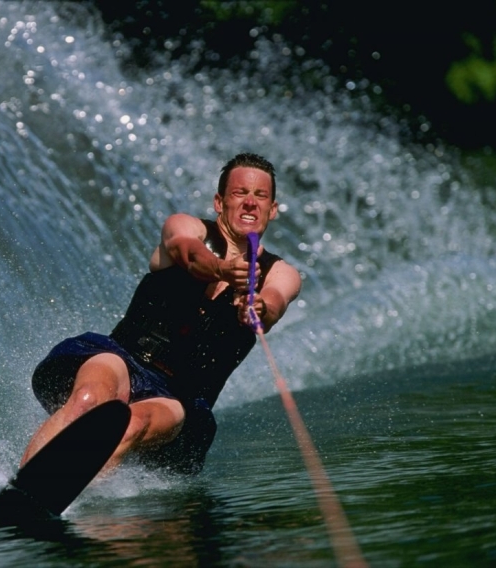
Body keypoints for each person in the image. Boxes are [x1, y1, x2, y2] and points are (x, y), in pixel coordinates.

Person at [21, 153, 302, 474]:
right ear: (219, 202)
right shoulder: (184, 227)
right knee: (89, 399)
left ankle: (69, 502)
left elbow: (275, 301)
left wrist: (259, 308)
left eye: (260, 196)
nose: (250, 202)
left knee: (130, 425)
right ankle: (23, 490)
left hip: (179, 400)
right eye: (240, 193)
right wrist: (222, 269)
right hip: (122, 359)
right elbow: (189, 253)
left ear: (273, 209)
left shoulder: (281, 273)